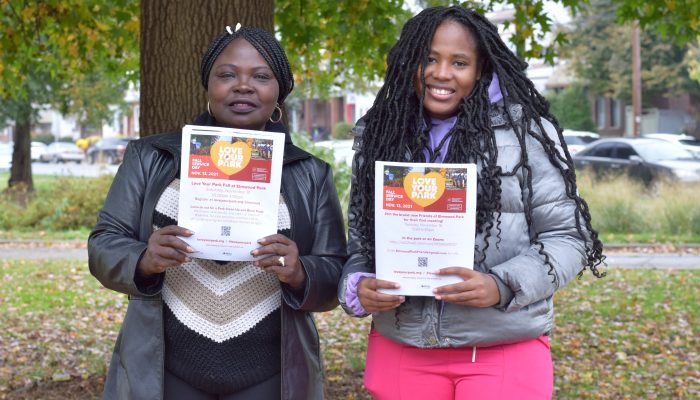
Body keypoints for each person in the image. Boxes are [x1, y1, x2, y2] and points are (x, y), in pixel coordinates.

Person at [338, 6, 605, 400]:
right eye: (429, 58)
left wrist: (501, 285)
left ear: (480, 70)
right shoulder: (382, 132)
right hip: (402, 347)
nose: (441, 73)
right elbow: (361, 241)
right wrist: (359, 286)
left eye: (459, 62)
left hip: (502, 350)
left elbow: (569, 238)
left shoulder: (527, 134)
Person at [89, 25, 346, 400]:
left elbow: (335, 271)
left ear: (280, 91)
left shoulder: (310, 173)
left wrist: (300, 271)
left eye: (261, 76)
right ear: (208, 85)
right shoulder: (150, 157)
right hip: (167, 373)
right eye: (227, 75)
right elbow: (103, 245)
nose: (243, 86)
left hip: (270, 376)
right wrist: (144, 259)